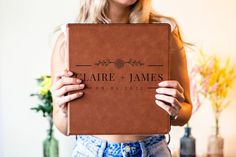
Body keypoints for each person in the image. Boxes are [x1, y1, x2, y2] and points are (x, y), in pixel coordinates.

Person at [50, 0, 192, 156]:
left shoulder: (165, 34)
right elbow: (63, 126)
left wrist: (175, 109)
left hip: (152, 151)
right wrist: (64, 111)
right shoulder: (68, 41)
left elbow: (185, 111)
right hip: (90, 151)